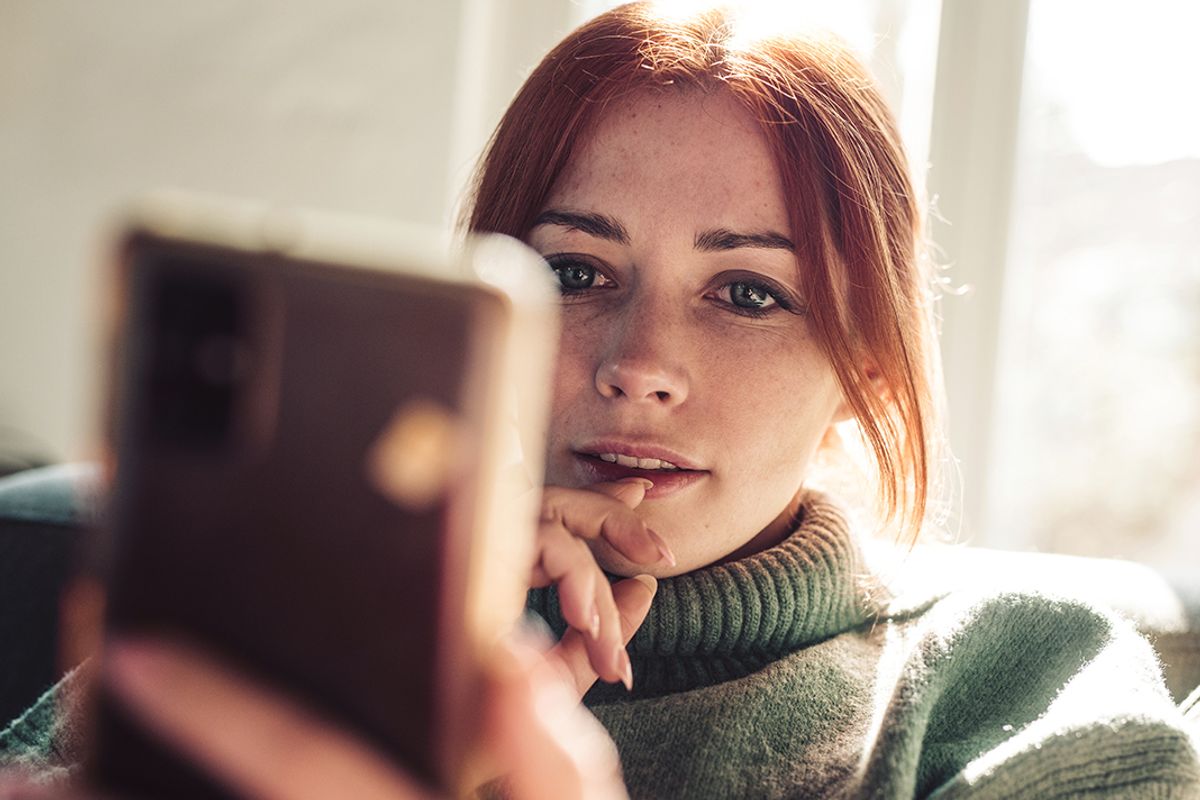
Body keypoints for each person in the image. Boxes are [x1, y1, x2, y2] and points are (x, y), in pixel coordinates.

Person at [3, 2, 1199, 798]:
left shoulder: (1031, 671)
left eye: (746, 291)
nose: (640, 360)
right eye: (577, 272)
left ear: (868, 367)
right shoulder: (291, 610)